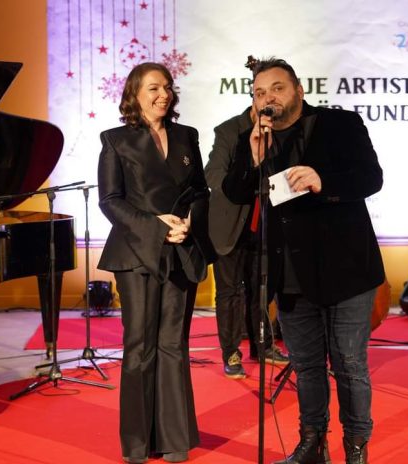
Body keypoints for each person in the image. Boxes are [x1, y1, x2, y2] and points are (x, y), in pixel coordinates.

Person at [222, 57, 385, 464]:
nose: (268, 98)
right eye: (260, 92)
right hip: (290, 274)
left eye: (277, 88)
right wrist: (253, 158)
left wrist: (322, 181)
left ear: (298, 90)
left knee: (349, 364)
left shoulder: (340, 124)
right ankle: (312, 444)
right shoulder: (254, 138)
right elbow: (235, 192)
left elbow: (371, 178)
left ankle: (356, 447)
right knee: (306, 365)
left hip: (346, 270)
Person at [97, 62, 215, 464]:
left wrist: (189, 222)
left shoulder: (186, 136)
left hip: (182, 248)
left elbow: (200, 191)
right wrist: (155, 227)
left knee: (173, 344)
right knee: (139, 346)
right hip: (136, 252)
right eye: (153, 88)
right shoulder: (116, 140)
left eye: (167, 87)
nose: (163, 94)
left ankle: (174, 439)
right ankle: (136, 444)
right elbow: (110, 200)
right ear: (135, 93)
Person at [204, 104, 288, 379]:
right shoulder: (229, 130)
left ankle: (262, 346)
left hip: (264, 222)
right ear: (254, 102)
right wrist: (244, 182)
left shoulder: (282, 129)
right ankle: (231, 353)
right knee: (230, 292)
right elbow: (212, 174)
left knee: (261, 288)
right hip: (229, 223)